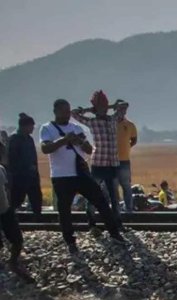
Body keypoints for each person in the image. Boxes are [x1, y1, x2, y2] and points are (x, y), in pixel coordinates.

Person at [40, 99, 125, 254]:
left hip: (80, 172)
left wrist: (79, 141)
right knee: (64, 210)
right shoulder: (47, 128)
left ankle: (114, 233)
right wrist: (64, 140)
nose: (67, 114)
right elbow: (46, 148)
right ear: (56, 111)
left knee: (101, 201)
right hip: (61, 176)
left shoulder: (76, 127)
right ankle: (70, 241)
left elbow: (88, 149)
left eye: (68, 111)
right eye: (64, 111)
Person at [71, 91, 128, 220]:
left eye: (104, 106)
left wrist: (108, 107)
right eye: (100, 106)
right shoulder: (92, 122)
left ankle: (117, 223)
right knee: (94, 194)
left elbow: (125, 106)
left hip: (113, 163)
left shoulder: (113, 119)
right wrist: (89, 109)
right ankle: (91, 222)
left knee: (114, 196)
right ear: (95, 108)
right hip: (98, 163)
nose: (102, 109)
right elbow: (74, 113)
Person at [6, 113, 42, 215]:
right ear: (24, 126)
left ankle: (38, 218)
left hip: (32, 175)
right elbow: (12, 159)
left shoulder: (29, 139)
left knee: (36, 198)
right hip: (19, 176)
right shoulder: (14, 139)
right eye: (31, 126)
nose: (33, 128)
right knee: (16, 198)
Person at [0, 163, 25, 275]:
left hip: (5, 209)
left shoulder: (1, 169)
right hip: (5, 209)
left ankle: (13, 263)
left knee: (17, 239)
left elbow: (6, 189)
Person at [115, 101, 137, 214]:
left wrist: (127, 147)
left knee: (126, 186)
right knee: (113, 186)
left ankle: (129, 209)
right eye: (120, 109)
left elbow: (134, 139)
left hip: (124, 160)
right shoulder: (110, 123)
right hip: (111, 161)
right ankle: (116, 209)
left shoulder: (129, 125)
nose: (122, 112)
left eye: (124, 110)